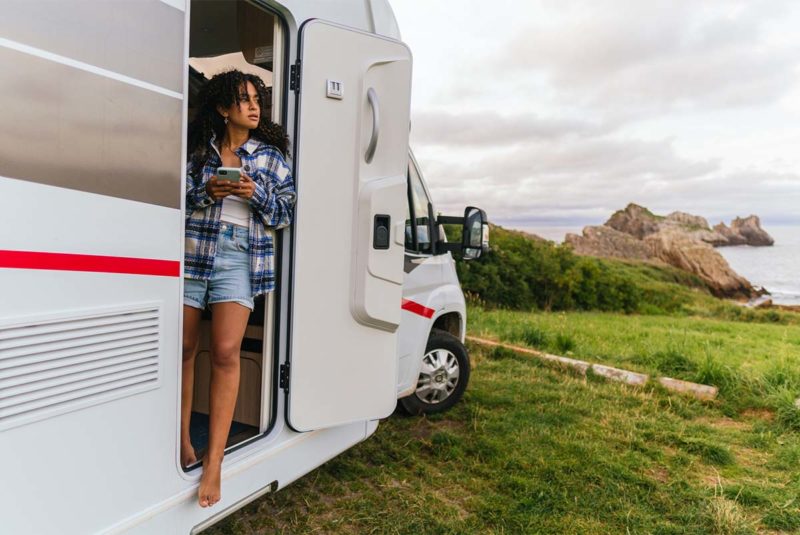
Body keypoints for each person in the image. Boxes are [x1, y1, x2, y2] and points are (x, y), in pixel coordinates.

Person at [182, 69, 295, 508]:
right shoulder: (199, 152)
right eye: (243, 99)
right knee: (184, 348)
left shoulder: (270, 157)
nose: (253, 106)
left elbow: (285, 212)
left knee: (227, 352)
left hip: (239, 257)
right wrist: (206, 190)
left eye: (257, 99)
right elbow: (177, 198)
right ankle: (182, 441)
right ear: (222, 107)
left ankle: (213, 462)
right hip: (192, 250)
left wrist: (255, 194)